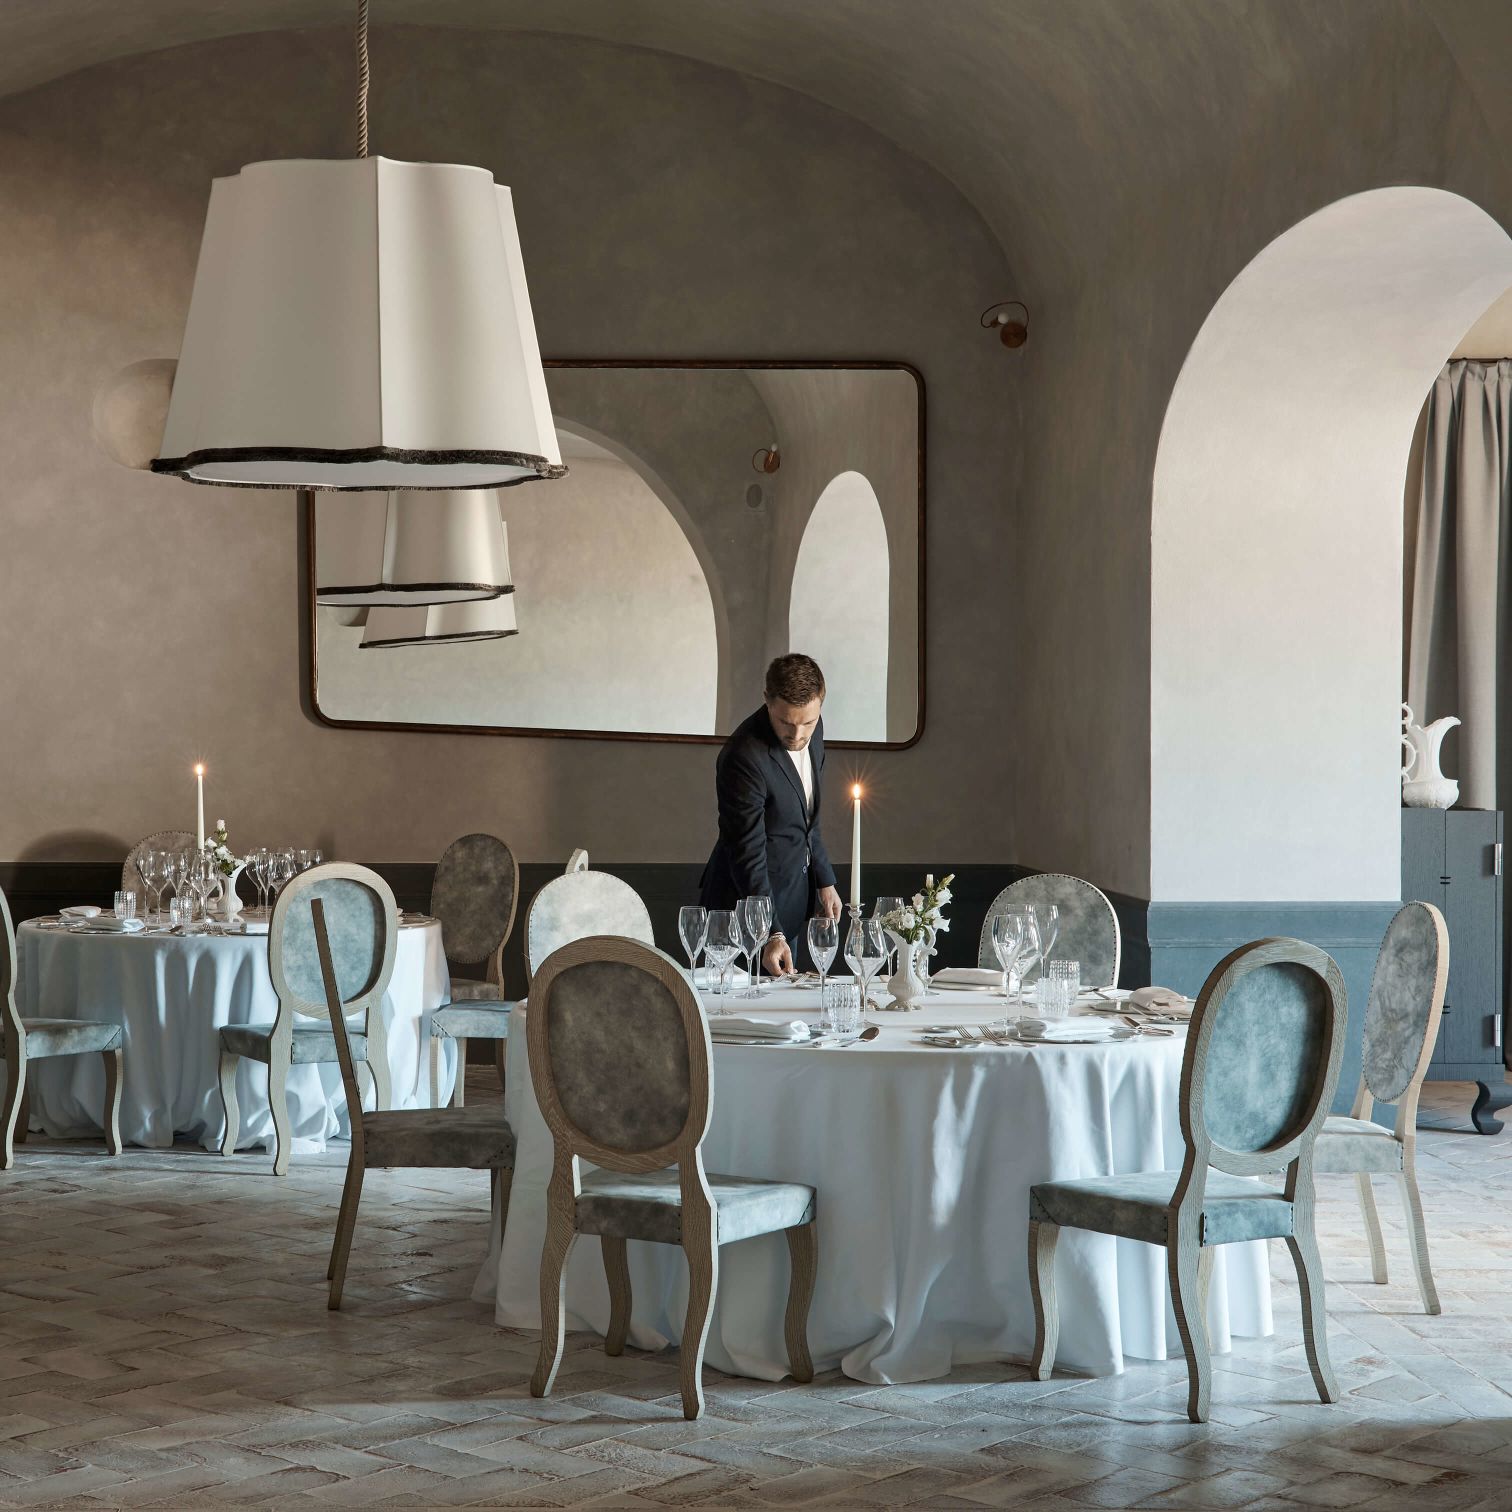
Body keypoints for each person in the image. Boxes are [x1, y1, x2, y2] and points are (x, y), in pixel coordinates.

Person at [700, 653, 844, 976]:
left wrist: (824, 879)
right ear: (767, 701)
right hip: (739, 919)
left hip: (788, 904)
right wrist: (770, 932)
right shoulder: (743, 757)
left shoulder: (814, 729)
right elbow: (747, 852)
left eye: (807, 722)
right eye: (786, 723)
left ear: (820, 703)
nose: (797, 735)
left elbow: (808, 820)